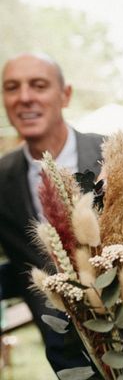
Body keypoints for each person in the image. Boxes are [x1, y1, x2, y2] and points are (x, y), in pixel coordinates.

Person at [0, 53, 103, 373]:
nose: (25, 97)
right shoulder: (2, 179)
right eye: (12, 88)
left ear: (65, 95)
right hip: (66, 362)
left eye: (39, 85)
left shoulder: (118, 156)